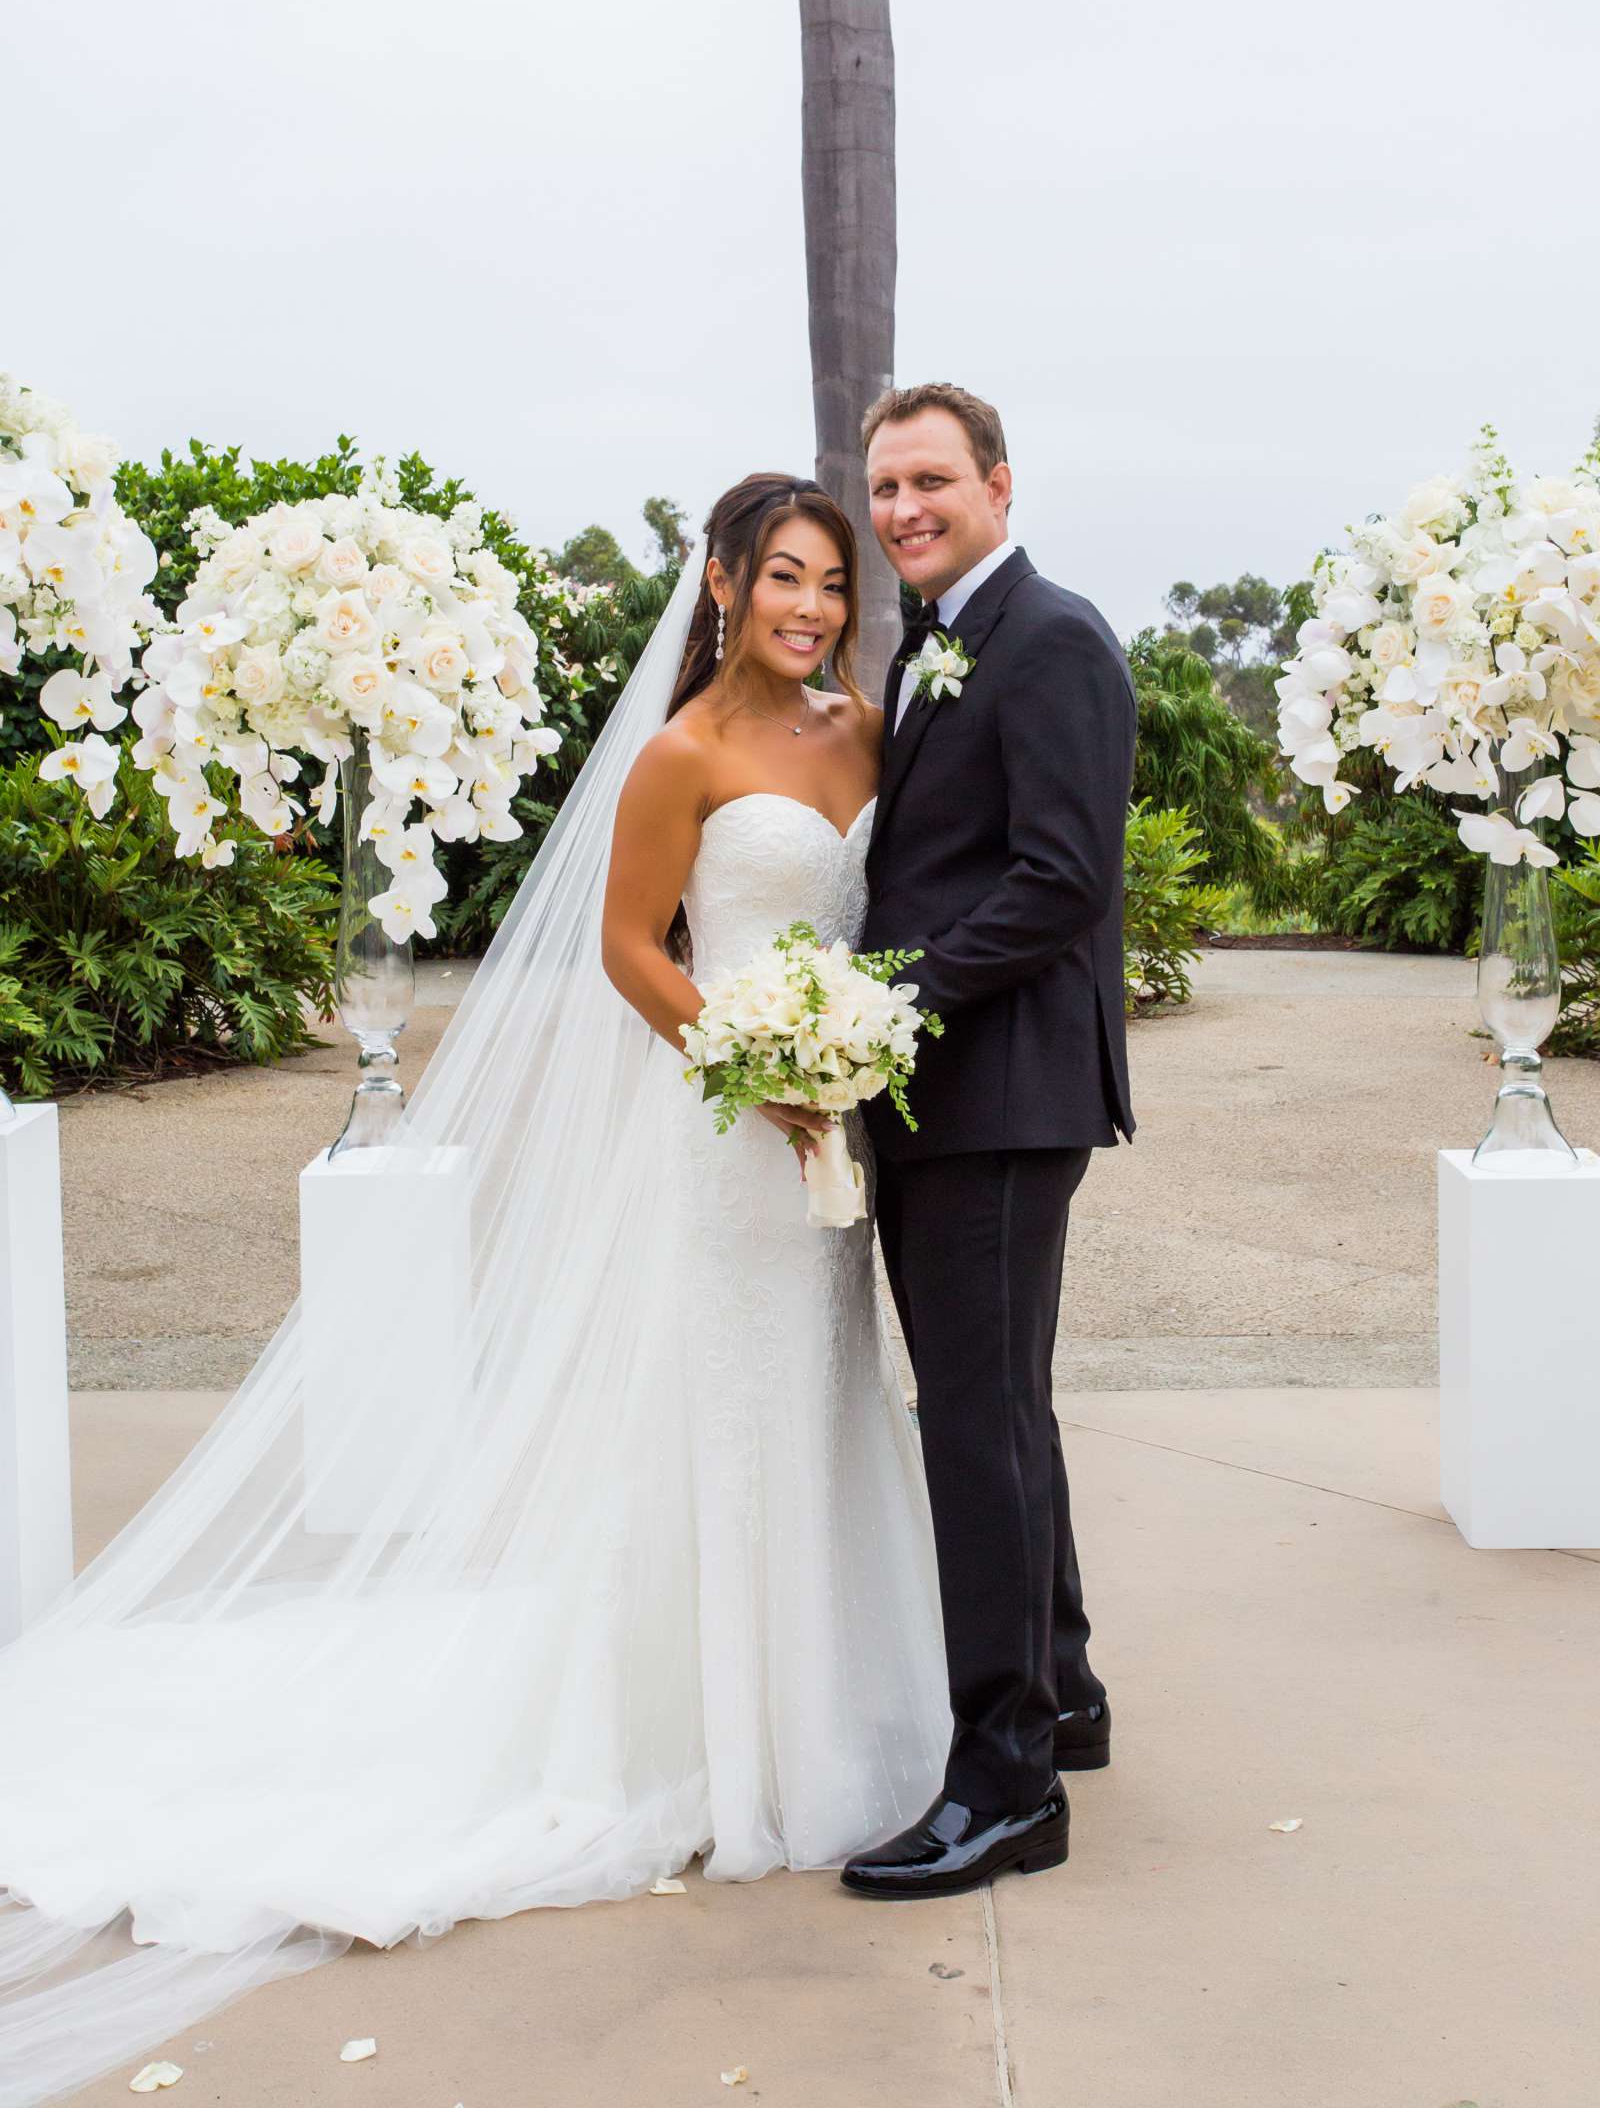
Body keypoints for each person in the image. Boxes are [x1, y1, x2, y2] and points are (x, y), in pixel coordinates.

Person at [0, 474, 949, 2106]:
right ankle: (720, 1738)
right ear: (721, 586)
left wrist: (847, 1054)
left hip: (838, 1148)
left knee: (826, 1400)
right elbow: (631, 947)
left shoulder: (866, 734)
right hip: (733, 1138)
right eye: (784, 579)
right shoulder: (683, 754)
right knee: (727, 1406)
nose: (813, 607)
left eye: (832, 584)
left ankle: (828, 1711)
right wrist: (751, 1060)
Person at [839, 382, 1136, 1902]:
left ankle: (1004, 1781)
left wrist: (884, 1002)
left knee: (976, 1423)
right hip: (946, 1097)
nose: (902, 510)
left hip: (1003, 1094)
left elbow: (1063, 879)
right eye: (885, 486)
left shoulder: (1056, 636)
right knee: (1001, 1408)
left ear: (1000, 486)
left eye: (931, 481)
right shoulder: (935, 651)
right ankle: (1065, 1694)